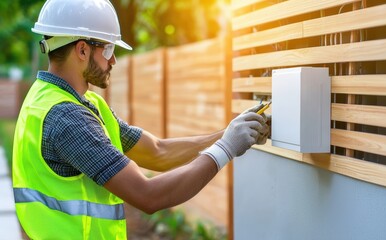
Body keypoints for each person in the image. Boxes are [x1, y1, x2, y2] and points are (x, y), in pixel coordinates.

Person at [12, 0, 270, 239]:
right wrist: (226, 149)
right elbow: (149, 196)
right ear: (82, 49)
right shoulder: (68, 118)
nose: (113, 60)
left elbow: (157, 152)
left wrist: (229, 132)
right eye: (109, 48)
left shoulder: (64, 101)